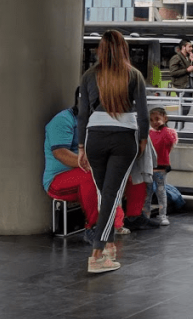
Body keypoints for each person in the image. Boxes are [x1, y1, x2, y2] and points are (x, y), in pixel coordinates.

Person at [77, 30, 151, 274]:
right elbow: (143, 113)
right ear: (123, 49)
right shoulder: (134, 75)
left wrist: (80, 147)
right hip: (124, 140)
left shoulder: (89, 75)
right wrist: (142, 140)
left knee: (105, 194)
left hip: (94, 139)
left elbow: (83, 114)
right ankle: (97, 254)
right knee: (111, 195)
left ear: (100, 49)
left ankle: (107, 245)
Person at [44, 88, 139, 239]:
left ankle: (126, 219)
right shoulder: (62, 120)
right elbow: (60, 154)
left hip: (87, 174)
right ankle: (93, 227)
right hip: (58, 180)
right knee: (92, 175)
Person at [146, 106, 178, 224]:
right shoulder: (149, 133)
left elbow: (170, 141)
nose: (154, 122)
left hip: (160, 168)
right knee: (148, 193)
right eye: (151, 120)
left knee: (161, 192)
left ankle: (162, 215)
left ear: (165, 118)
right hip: (149, 168)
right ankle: (146, 214)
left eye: (157, 119)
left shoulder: (168, 132)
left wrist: (164, 127)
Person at [168, 40, 193, 128]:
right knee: (184, 107)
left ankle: (179, 127)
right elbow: (173, 72)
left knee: (186, 107)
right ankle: (178, 127)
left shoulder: (188, 57)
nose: (191, 48)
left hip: (189, 85)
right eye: (189, 46)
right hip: (182, 86)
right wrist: (186, 70)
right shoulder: (176, 58)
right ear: (183, 47)